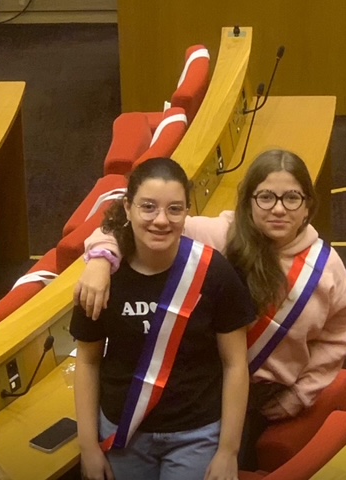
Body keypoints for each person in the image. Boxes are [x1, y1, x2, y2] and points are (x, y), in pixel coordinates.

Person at [75, 149, 346, 470]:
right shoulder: (221, 235)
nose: (279, 209)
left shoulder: (326, 268)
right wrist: (100, 260)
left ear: (308, 205)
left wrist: (299, 396)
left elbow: (338, 338)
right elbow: (134, 227)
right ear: (248, 201)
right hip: (203, 389)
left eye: (292, 198)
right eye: (266, 197)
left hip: (265, 403)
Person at [70, 157, 255, 480]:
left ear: (187, 212)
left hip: (196, 434)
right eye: (148, 207)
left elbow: (235, 364)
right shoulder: (101, 278)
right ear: (127, 208)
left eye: (174, 209)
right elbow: (87, 361)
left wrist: (229, 450)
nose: (161, 220)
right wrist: (88, 446)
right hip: (124, 431)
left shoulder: (213, 273)